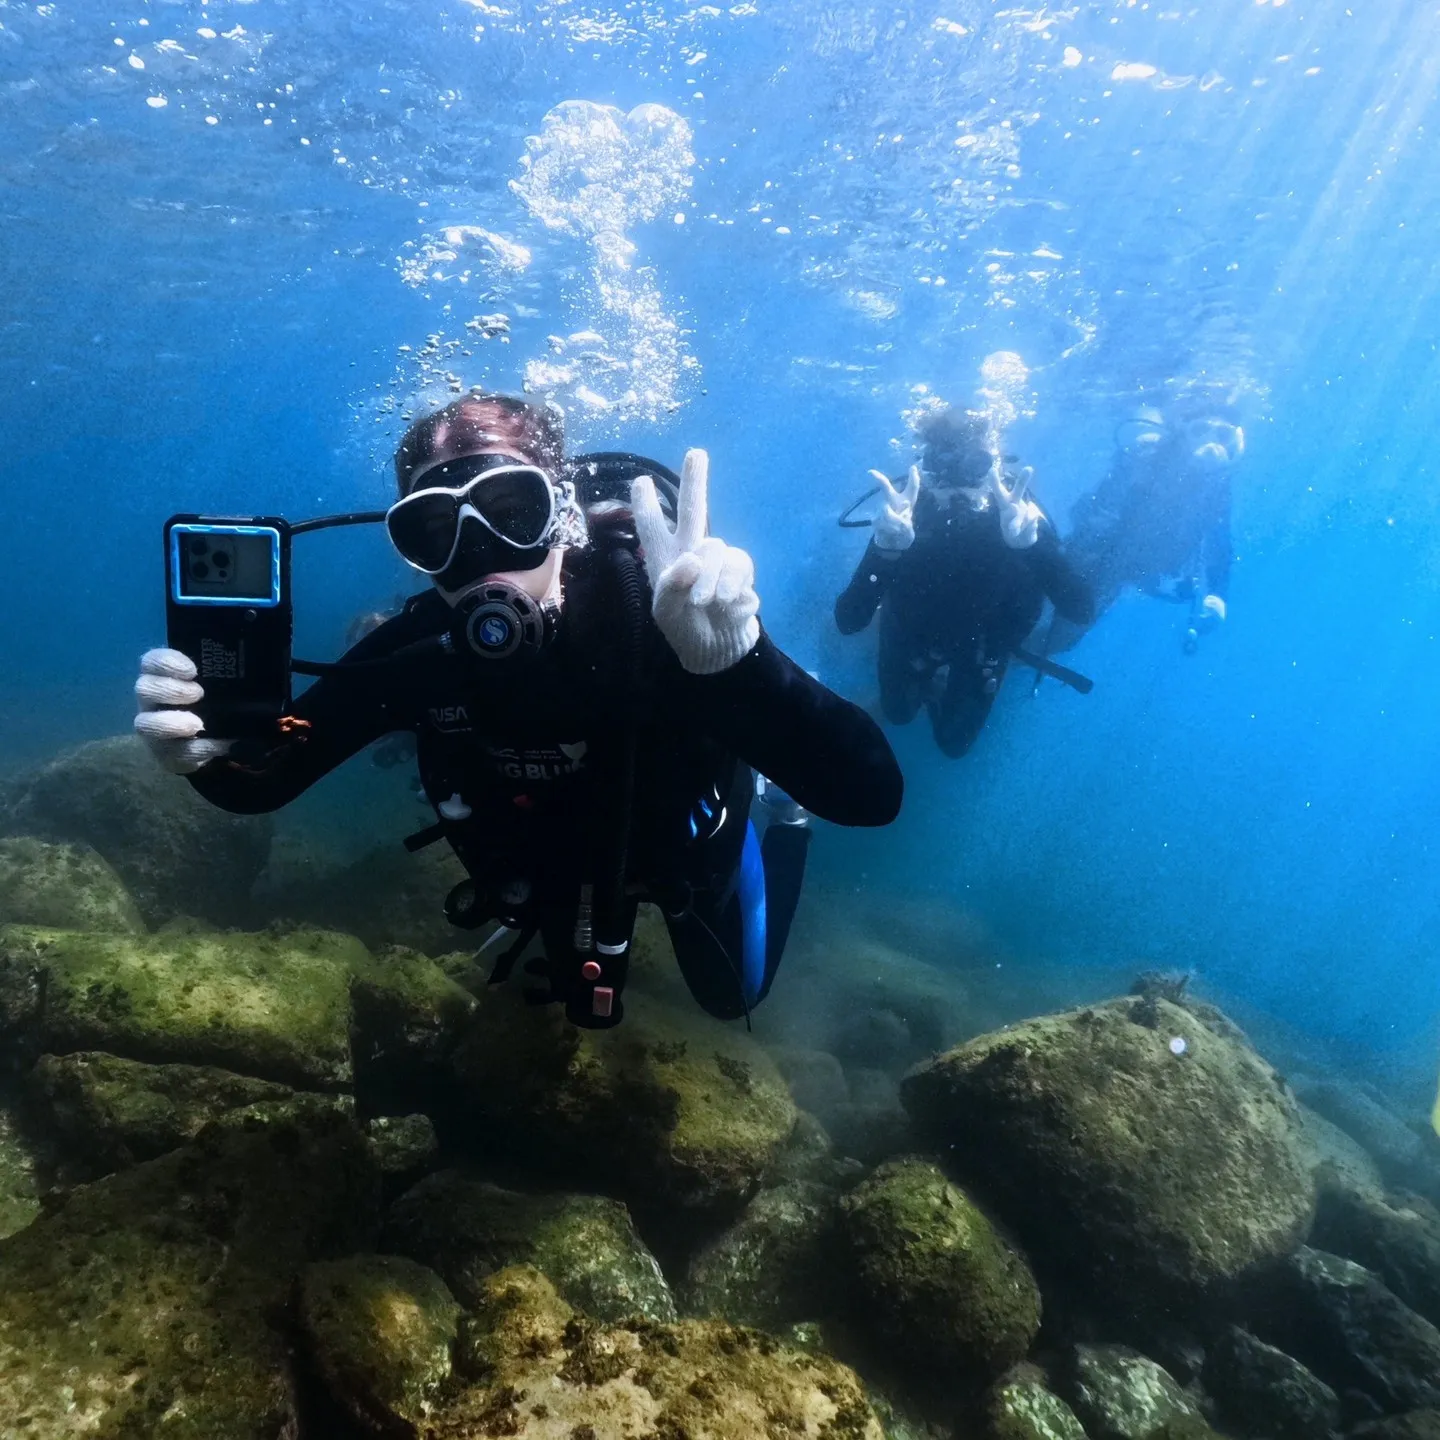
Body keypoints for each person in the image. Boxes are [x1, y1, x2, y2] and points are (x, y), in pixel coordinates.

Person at [135, 392, 902, 1029]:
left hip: (680, 848)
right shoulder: (422, 649)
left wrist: (740, 667)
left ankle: (782, 822)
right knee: (571, 1005)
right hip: (554, 868)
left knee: (731, 998)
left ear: (562, 512)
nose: (479, 553)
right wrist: (206, 748)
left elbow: (870, 795)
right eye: (435, 530)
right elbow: (261, 779)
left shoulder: (661, 618)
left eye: (511, 508)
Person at [834, 405, 1094, 758]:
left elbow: (1080, 610)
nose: (957, 488)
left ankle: (939, 686)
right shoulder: (906, 517)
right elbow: (848, 621)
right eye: (942, 470)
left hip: (983, 644)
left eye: (973, 468)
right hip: (911, 635)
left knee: (954, 744)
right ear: (925, 469)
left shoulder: (1018, 517)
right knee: (898, 714)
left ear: (993, 466)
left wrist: (1032, 548)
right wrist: (884, 551)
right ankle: (928, 683)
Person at [1046, 404, 1241, 656]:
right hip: (1098, 555)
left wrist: (1217, 594)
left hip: (1138, 568)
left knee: (1068, 631)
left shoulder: (1217, 488)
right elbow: (1099, 505)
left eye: (1223, 435)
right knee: (1065, 615)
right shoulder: (1148, 458)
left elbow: (1219, 543)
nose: (1210, 441)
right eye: (1200, 430)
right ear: (1183, 433)